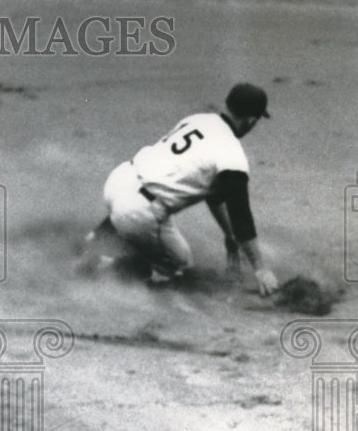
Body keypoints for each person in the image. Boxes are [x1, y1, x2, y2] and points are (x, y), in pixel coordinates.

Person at [95, 83, 279, 296]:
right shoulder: (232, 155)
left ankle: (95, 243)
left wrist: (229, 236)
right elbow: (241, 216)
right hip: (139, 210)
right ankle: (107, 272)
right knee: (180, 266)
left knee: (132, 206)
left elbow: (215, 195)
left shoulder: (197, 120)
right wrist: (261, 269)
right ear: (251, 120)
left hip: (119, 180)